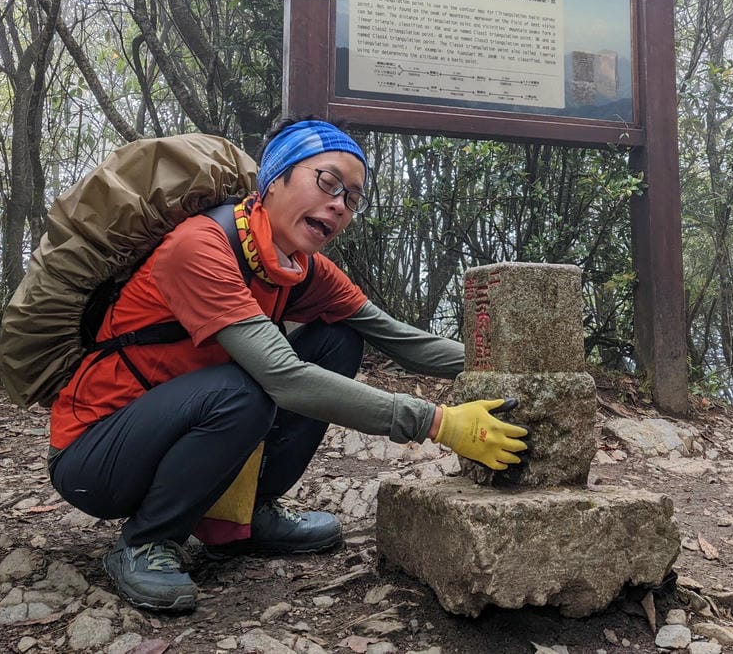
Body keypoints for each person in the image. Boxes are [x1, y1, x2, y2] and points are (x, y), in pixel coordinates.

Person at [46, 119, 529, 612]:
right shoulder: (197, 247)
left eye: (353, 198)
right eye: (327, 182)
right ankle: (147, 541)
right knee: (245, 389)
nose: (340, 204)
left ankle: (242, 519)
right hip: (96, 456)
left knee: (340, 339)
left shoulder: (302, 267)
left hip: (188, 428)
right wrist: (439, 423)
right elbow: (285, 379)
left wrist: (518, 366)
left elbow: (399, 339)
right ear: (274, 178)